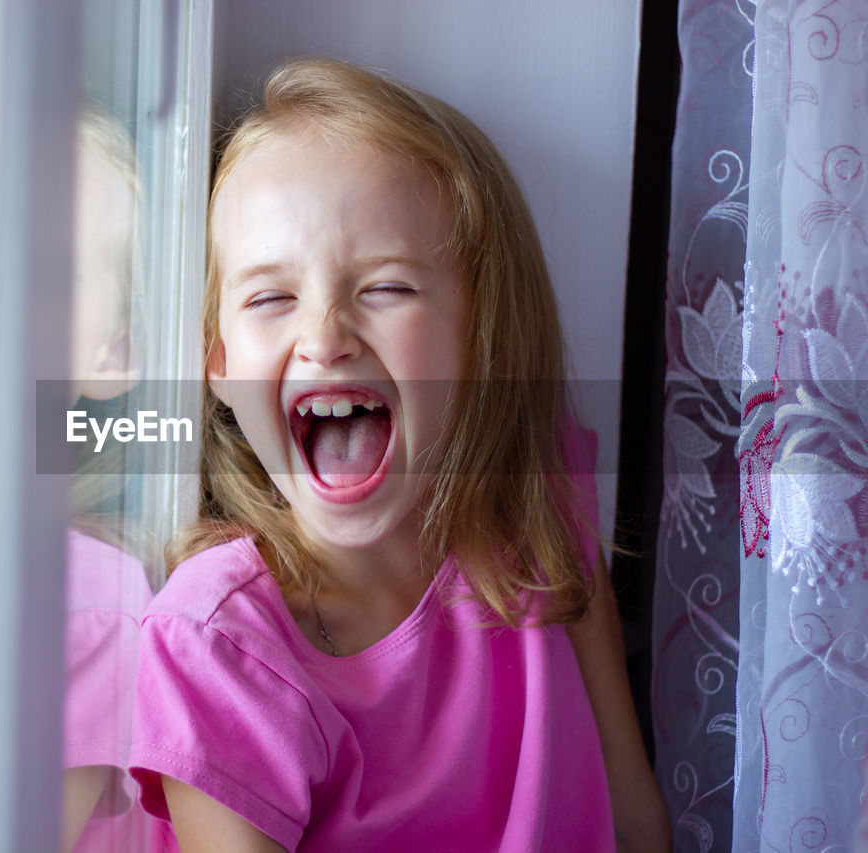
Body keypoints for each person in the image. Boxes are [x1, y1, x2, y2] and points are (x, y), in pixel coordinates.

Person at [127, 58, 670, 852]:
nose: (324, 337)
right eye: (271, 298)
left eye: (385, 288)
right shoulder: (220, 640)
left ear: (482, 334)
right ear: (217, 359)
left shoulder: (540, 499)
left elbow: (633, 812)